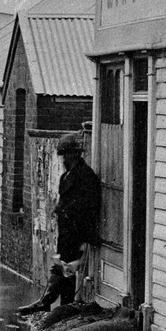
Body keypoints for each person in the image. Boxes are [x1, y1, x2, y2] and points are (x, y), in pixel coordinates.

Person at [19, 134, 102, 316]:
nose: (64, 158)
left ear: (74, 154)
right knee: (63, 265)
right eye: (63, 155)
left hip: (77, 230)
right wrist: (59, 208)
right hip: (65, 230)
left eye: (66, 154)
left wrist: (67, 212)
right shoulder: (67, 175)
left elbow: (88, 204)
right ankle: (63, 306)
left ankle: (46, 302)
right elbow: (65, 200)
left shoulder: (85, 176)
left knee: (66, 266)